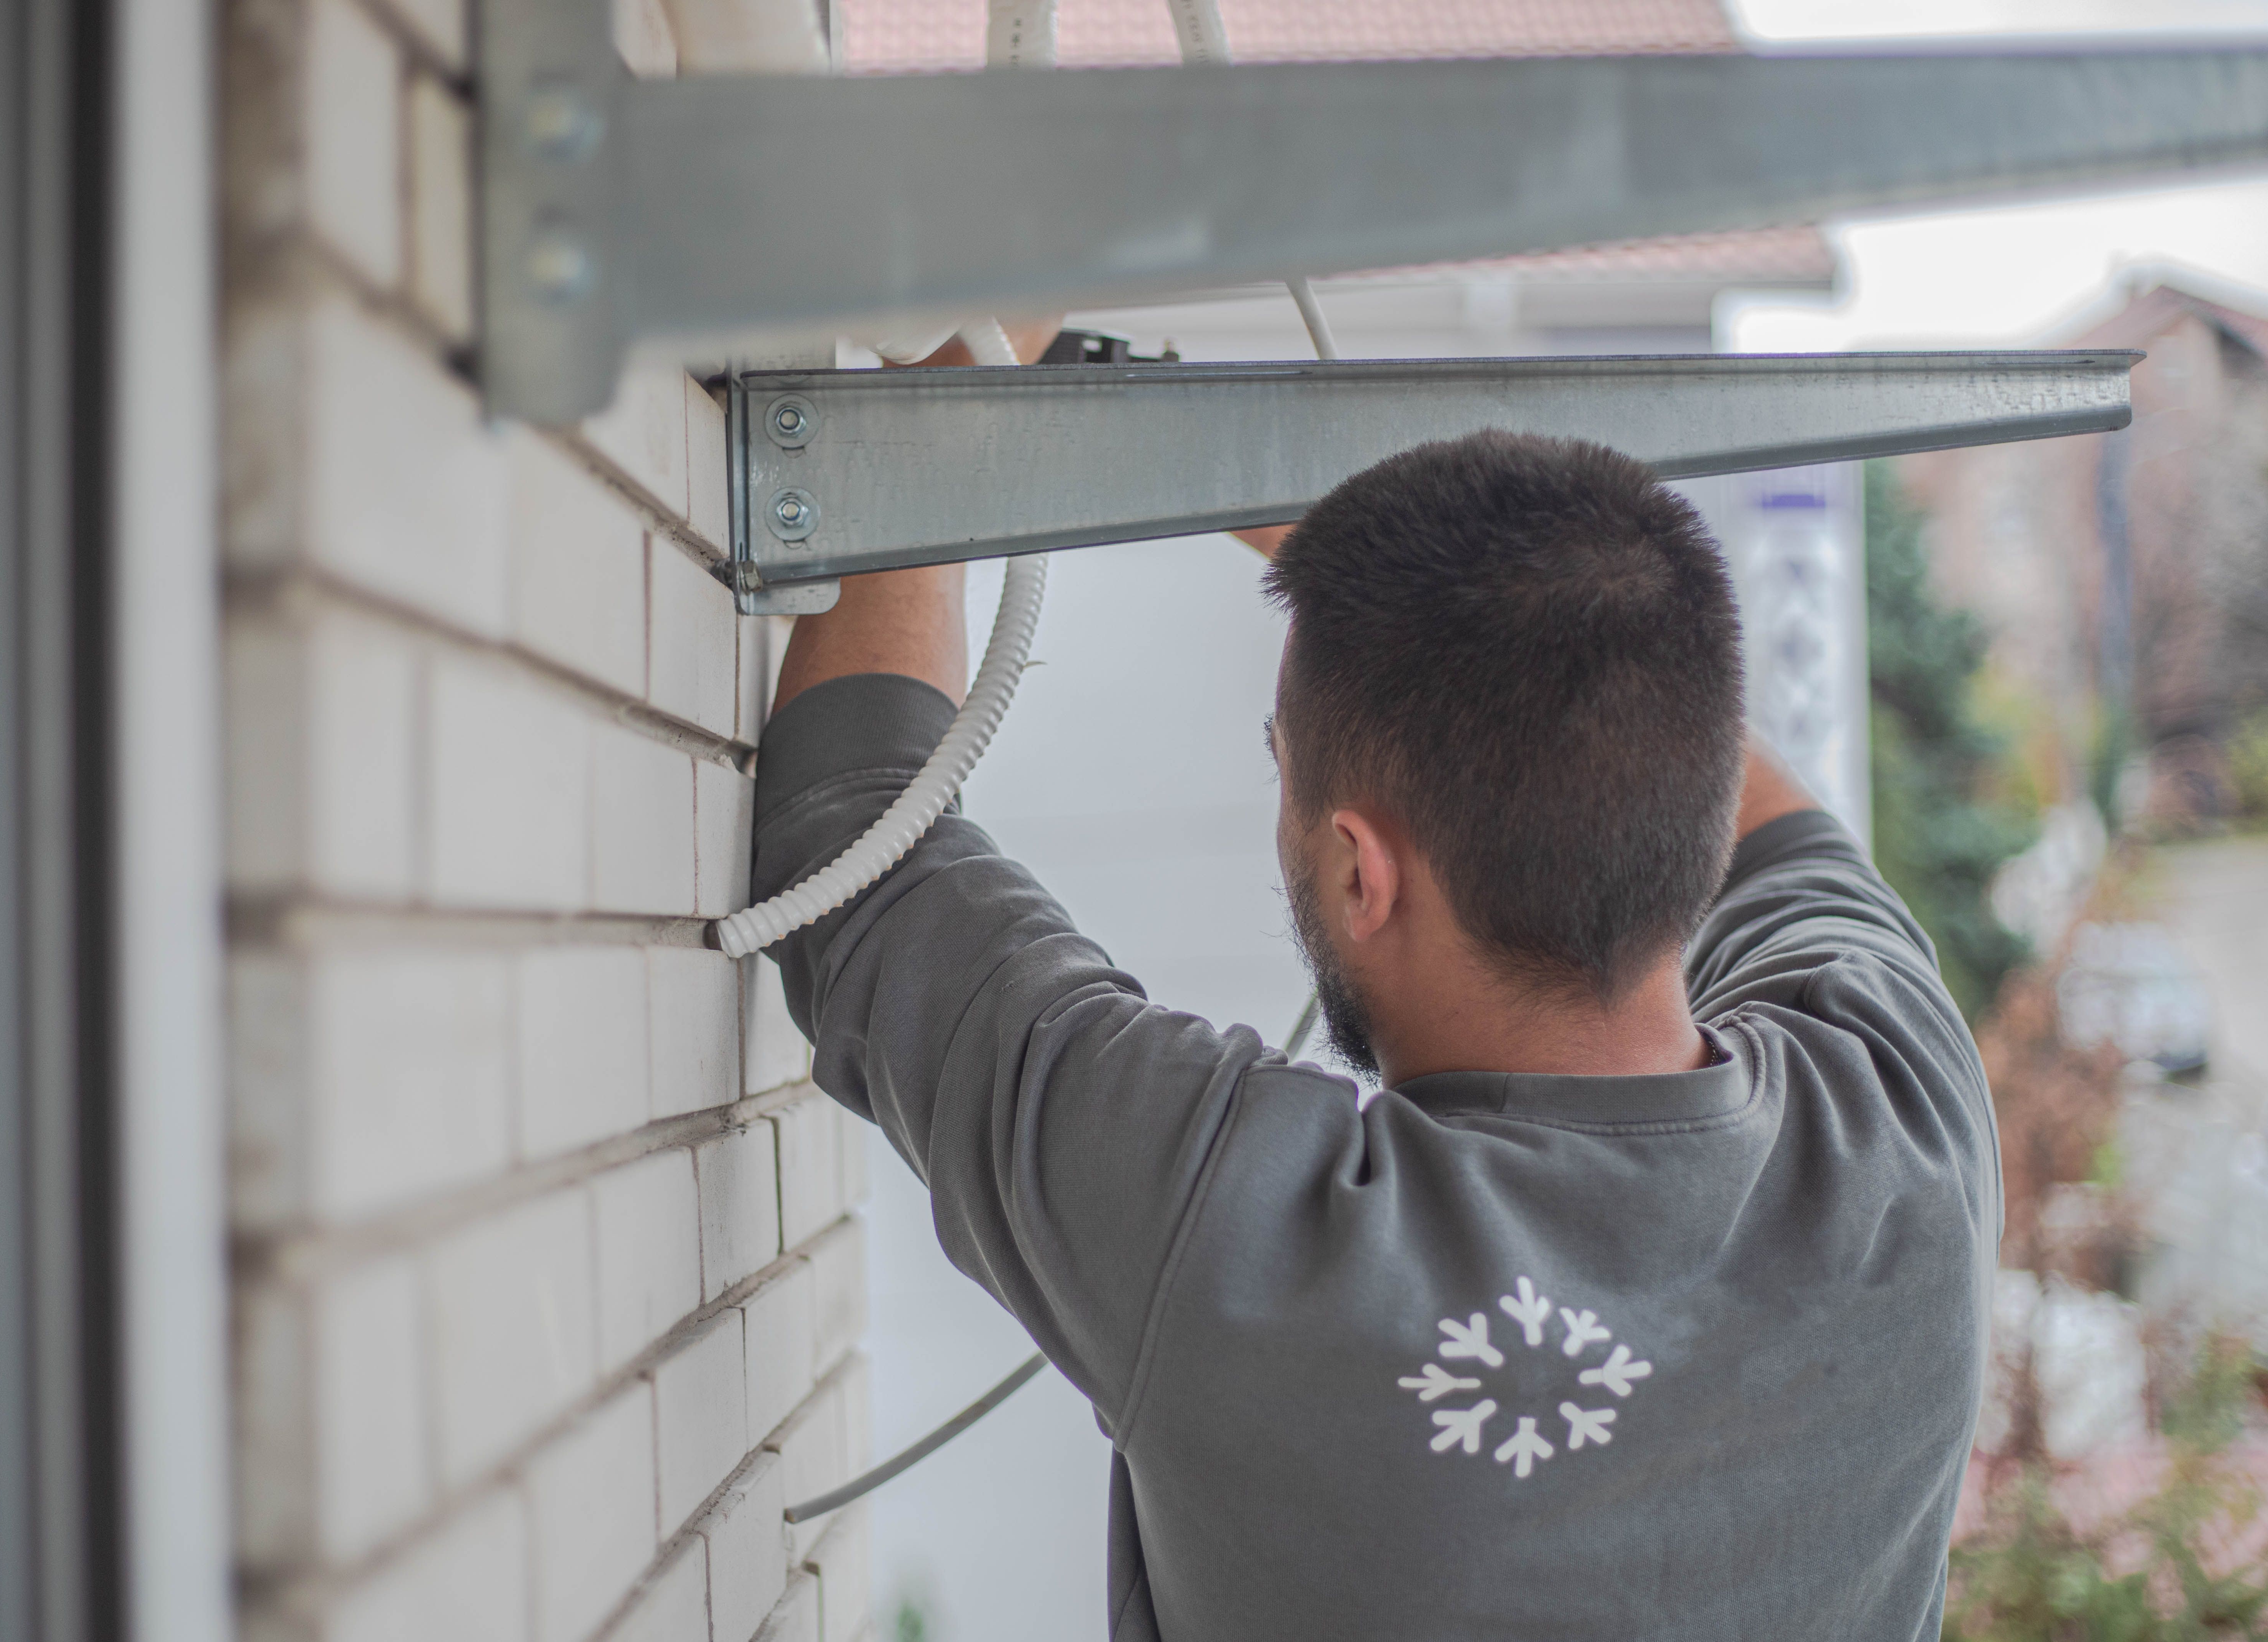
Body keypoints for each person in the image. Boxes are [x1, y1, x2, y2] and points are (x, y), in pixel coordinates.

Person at [750, 370, 1997, 1639]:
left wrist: (957, 389)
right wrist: (1418, 586)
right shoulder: (1909, 1135)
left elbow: (852, 833)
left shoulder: (1241, 1229)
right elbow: (1763, 817)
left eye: (1280, 770)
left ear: (1360, 870)